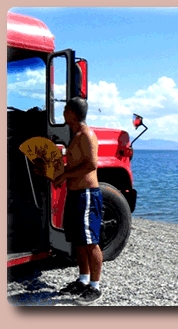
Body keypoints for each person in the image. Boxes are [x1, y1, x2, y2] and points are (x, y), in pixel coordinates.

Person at [53, 97, 103, 306]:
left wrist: (64, 176)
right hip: (75, 193)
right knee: (79, 241)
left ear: (73, 112)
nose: (63, 113)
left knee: (90, 242)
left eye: (65, 109)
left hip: (87, 194)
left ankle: (95, 287)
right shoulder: (75, 136)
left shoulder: (86, 135)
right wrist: (55, 173)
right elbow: (74, 164)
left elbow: (91, 165)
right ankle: (83, 280)